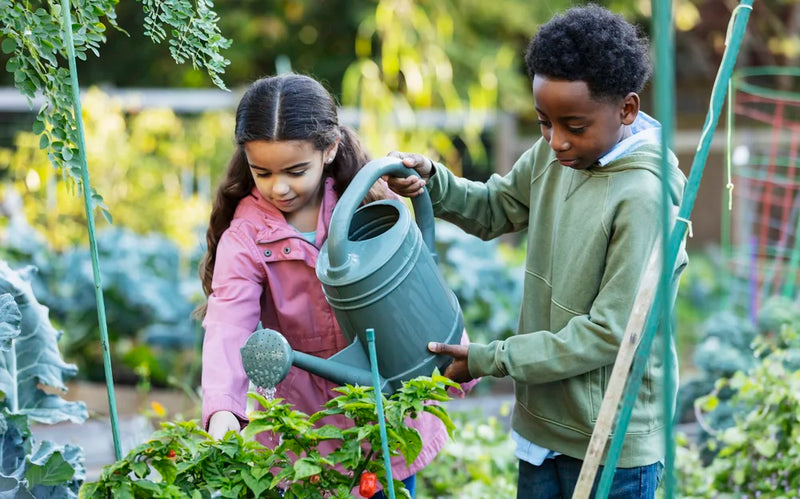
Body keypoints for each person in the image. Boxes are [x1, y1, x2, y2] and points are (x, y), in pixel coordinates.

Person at [386, 5, 688, 498]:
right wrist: (432, 183)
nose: (557, 141)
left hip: (610, 438)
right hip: (542, 426)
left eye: (574, 125)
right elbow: (495, 207)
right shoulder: (552, 156)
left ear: (627, 110)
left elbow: (610, 334)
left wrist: (491, 358)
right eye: (545, 122)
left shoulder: (645, 199)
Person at [196, 73, 473, 499]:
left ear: (329, 149)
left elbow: (416, 292)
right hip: (303, 427)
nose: (279, 187)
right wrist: (222, 410)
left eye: (294, 170)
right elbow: (227, 325)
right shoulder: (247, 237)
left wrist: (454, 357)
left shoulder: (369, 204)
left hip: (386, 414)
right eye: (262, 172)